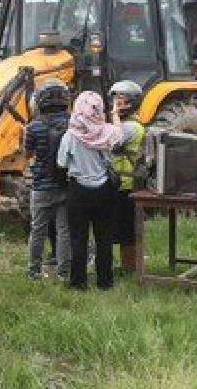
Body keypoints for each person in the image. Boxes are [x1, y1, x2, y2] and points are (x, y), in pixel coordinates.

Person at [57, 90, 127, 291]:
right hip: (104, 190)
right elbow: (120, 136)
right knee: (104, 238)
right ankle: (105, 281)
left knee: (78, 238)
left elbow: (61, 163)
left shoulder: (70, 136)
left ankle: (78, 282)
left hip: (78, 190)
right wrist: (115, 114)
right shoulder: (107, 132)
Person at [23, 79, 72, 281]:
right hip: (66, 184)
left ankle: (34, 270)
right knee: (64, 230)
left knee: (38, 229)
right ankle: (63, 272)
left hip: (41, 185)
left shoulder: (34, 127)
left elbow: (27, 154)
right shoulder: (72, 123)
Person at [107, 80, 145, 275]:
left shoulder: (132, 126)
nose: (115, 102)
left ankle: (130, 269)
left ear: (131, 102)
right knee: (119, 228)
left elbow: (114, 141)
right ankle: (124, 266)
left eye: (120, 99)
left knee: (126, 231)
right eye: (114, 98)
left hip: (126, 184)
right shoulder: (124, 124)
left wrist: (113, 116)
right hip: (118, 184)